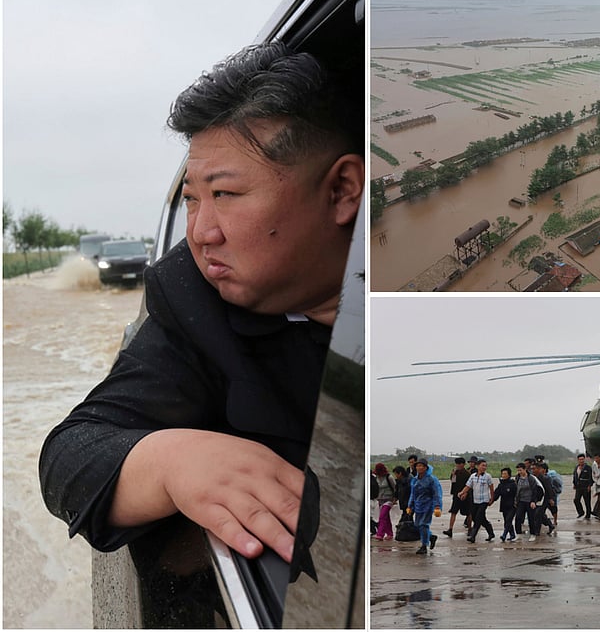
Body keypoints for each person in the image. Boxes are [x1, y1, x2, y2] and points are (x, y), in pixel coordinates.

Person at [39, 42, 364, 567]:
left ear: (343, 190)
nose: (200, 233)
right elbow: (70, 456)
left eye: (226, 195)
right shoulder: (194, 299)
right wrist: (168, 462)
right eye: (192, 198)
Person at [407, 459, 442, 555]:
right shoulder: (415, 479)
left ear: (425, 468)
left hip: (428, 505)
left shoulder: (431, 479)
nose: (419, 468)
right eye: (417, 466)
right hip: (418, 505)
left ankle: (424, 545)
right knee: (418, 525)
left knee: (424, 524)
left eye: (421, 466)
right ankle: (430, 537)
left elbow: (436, 494)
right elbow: (412, 494)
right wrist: (410, 505)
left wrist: (437, 506)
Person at [463, 459, 496, 543]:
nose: (484, 467)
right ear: (478, 466)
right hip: (475, 500)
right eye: (482, 465)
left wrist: (492, 499)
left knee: (478, 518)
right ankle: (490, 532)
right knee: (477, 518)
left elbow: (491, 488)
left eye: (485, 465)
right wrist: (462, 492)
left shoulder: (488, 476)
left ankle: (473, 536)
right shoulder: (473, 476)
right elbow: (468, 486)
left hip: (484, 501)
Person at [512, 462, 543, 541]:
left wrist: (533, 501)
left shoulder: (531, 478)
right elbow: (516, 490)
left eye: (521, 470)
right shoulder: (517, 478)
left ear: (525, 469)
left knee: (531, 518)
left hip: (529, 501)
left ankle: (533, 534)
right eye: (518, 470)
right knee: (518, 517)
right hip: (521, 501)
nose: (519, 472)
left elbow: (535, 490)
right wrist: (516, 500)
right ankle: (518, 534)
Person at [443, 457, 470, 539]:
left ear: (463, 464)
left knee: (468, 513)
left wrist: (466, 493)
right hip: (456, 495)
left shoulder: (468, 474)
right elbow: (452, 481)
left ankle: (470, 529)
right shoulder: (455, 472)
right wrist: (453, 474)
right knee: (453, 512)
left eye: (459, 464)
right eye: (457, 464)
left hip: (465, 496)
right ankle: (450, 529)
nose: (458, 465)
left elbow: (470, 485)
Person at [373, 463, 396, 540]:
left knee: (382, 517)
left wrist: (395, 499)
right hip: (380, 500)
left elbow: (395, 488)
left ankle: (380, 534)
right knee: (386, 517)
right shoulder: (376, 478)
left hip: (389, 500)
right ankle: (390, 534)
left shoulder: (389, 477)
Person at [494, 467, 518, 542]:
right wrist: (490, 501)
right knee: (507, 521)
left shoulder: (513, 484)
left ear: (509, 475)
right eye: (502, 474)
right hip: (504, 506)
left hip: (512, 506)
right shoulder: (501, 484)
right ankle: (512, 534)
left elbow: (517, 495)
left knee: (508, 520)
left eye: (505, 474)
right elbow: (496, 494)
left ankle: (504, 535)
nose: (503, 475)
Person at [572, 453, 594, 519]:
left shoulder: (588, 468)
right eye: (580, 459)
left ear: (584, 459)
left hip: (586, 487)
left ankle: (588, 514)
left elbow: (591, 477)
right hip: (578, 487)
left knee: (587, 501)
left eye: (582, 459)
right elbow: (575, 476)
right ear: (578, 460)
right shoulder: (576, 467)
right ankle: (581, 512)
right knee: (576, 500)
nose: (581, 461)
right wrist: (574, 484)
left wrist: (590, 485)